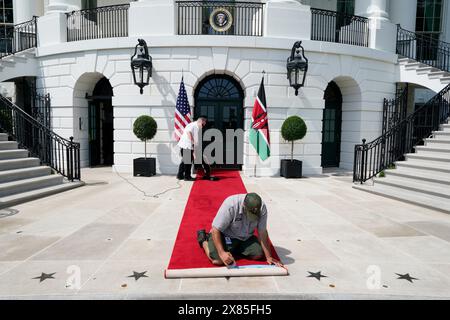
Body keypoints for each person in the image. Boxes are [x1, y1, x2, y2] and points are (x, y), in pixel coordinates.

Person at [197, 193, 284, 267]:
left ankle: (232, 249)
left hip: (245, 237)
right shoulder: (230, 205)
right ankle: (204, 240)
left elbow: (262, 232)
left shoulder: (261, 208)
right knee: (218, 260)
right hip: (225, 235)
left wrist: (268, 257)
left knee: (258, 254)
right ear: (243, 205)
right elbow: (216, 229)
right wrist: (222, 253)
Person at [177, 117, 218, 181]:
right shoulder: (192, 125)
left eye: (204, 125)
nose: (203, 126)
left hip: (189, 146)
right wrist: (193, 143)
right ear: (200, 121)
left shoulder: (197, 128)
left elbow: (196, 141)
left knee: (185, 161)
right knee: (187, 162)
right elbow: (188, 133)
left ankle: (180, 175)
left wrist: (196, 150)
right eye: (203, 124)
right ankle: (187, 177)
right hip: (186, 146)